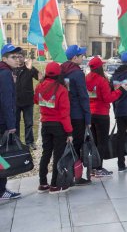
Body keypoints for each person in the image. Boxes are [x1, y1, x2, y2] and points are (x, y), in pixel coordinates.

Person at [35, 62, 73, 194]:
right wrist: (69, 132)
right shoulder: (62, 89)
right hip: (58, 126)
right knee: (58, 155)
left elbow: (36, 100)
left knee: (46, 153)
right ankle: (55, 185)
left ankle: (42, 183)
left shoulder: (39, 86)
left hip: (45, 124)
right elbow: (64, 114)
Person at [86, 57, 126, 177]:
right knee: (102, 142)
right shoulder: (102, 80)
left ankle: (93, 168)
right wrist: (119, 91)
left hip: (90, 114)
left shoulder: (85, 78)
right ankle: (99, 168)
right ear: (99, 67)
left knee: (94, 142)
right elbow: (108, 98)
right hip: (102, 114)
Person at [61, 45, 91, 186]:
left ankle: (65, 174)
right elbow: (83, 96)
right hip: (77, 114)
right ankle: (76, 176)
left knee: (66, 145)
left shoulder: (62, 70)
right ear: (74, 58)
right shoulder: (77, 73)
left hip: (65, 114)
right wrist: (88, 118)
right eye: (80, 56)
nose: (82, 57)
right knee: (77, 145)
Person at [0, 44, 22, 200]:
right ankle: (1, 191)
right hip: (3, 122)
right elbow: (6, 101)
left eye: (18, 56)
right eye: (13, 57)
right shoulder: (6, 74)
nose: (17, 59)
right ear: (4, 58)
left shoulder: (4, 71)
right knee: (3, 157)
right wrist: (11, 125)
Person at [14, 51, 42, 150]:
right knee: (15, 123)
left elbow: (41, 78)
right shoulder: (12, 69)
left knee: (29, 123)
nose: (18, 59)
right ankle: (16, 143)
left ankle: (30, 142)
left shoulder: (29, 68)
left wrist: (32, 68)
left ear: (24, 57)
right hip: (15, 101)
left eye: (20, 57)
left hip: (28, 101)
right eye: (16, 57)